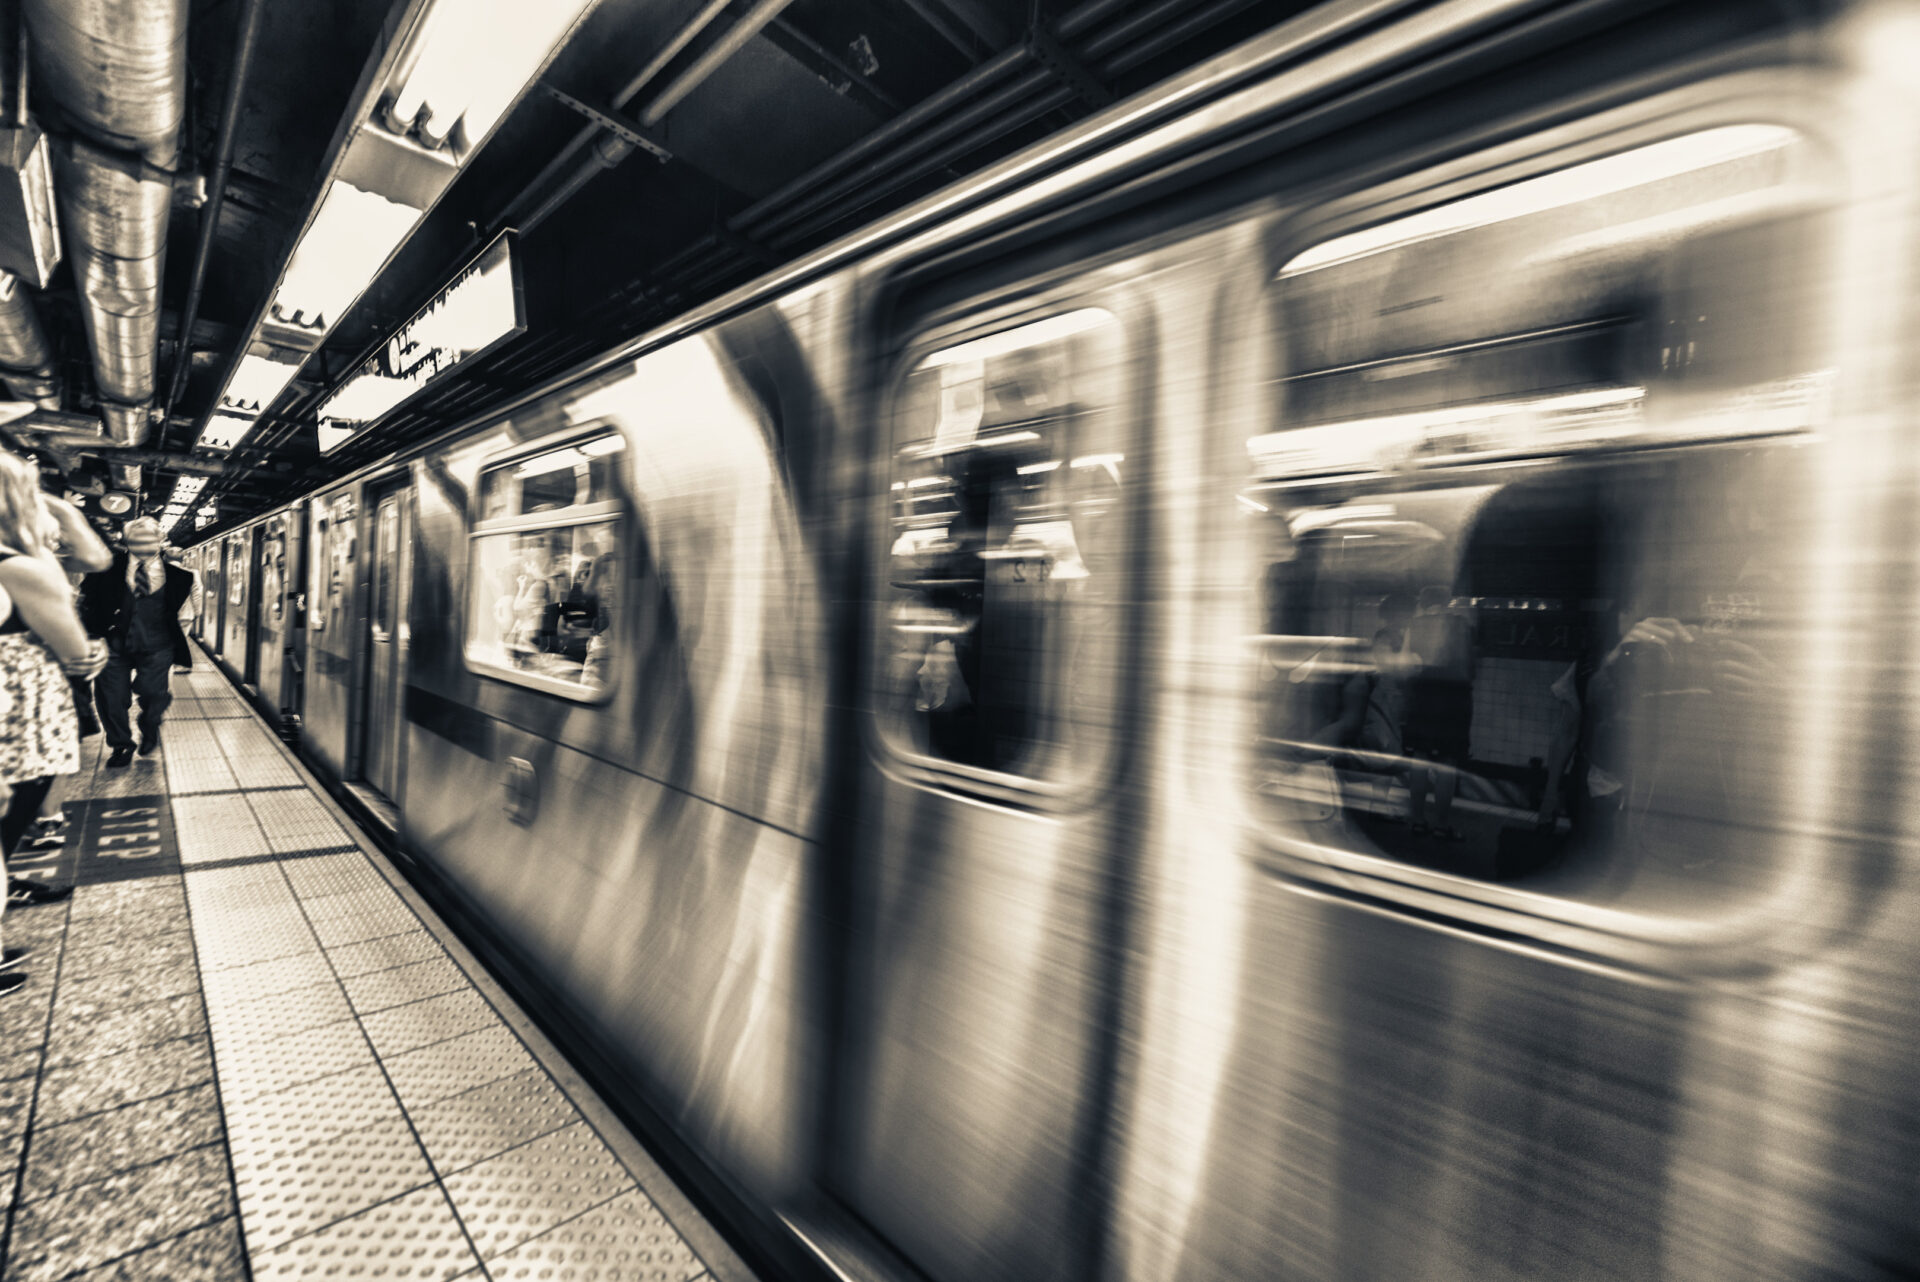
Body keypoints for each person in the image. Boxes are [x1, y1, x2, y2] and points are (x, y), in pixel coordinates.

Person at [0, 456, 110, 993]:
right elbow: (77, 653)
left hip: (14, 710)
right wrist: (89, 653)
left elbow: (93, 556)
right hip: (20, 713)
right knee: (10, 815)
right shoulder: (21, 566)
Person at [78, 516, 197, 768]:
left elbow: (185, 615)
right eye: (136, 539)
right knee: (112, 697)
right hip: (112, 643)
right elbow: (86, 603)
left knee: (155, 694)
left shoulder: (181, 577)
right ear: (127, 541)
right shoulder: (106, 568)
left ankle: (150, 725)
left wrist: (176, 645)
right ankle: (121, 744)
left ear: (160, 540)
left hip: (158, 644)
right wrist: (91, 636)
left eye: (149, 538)